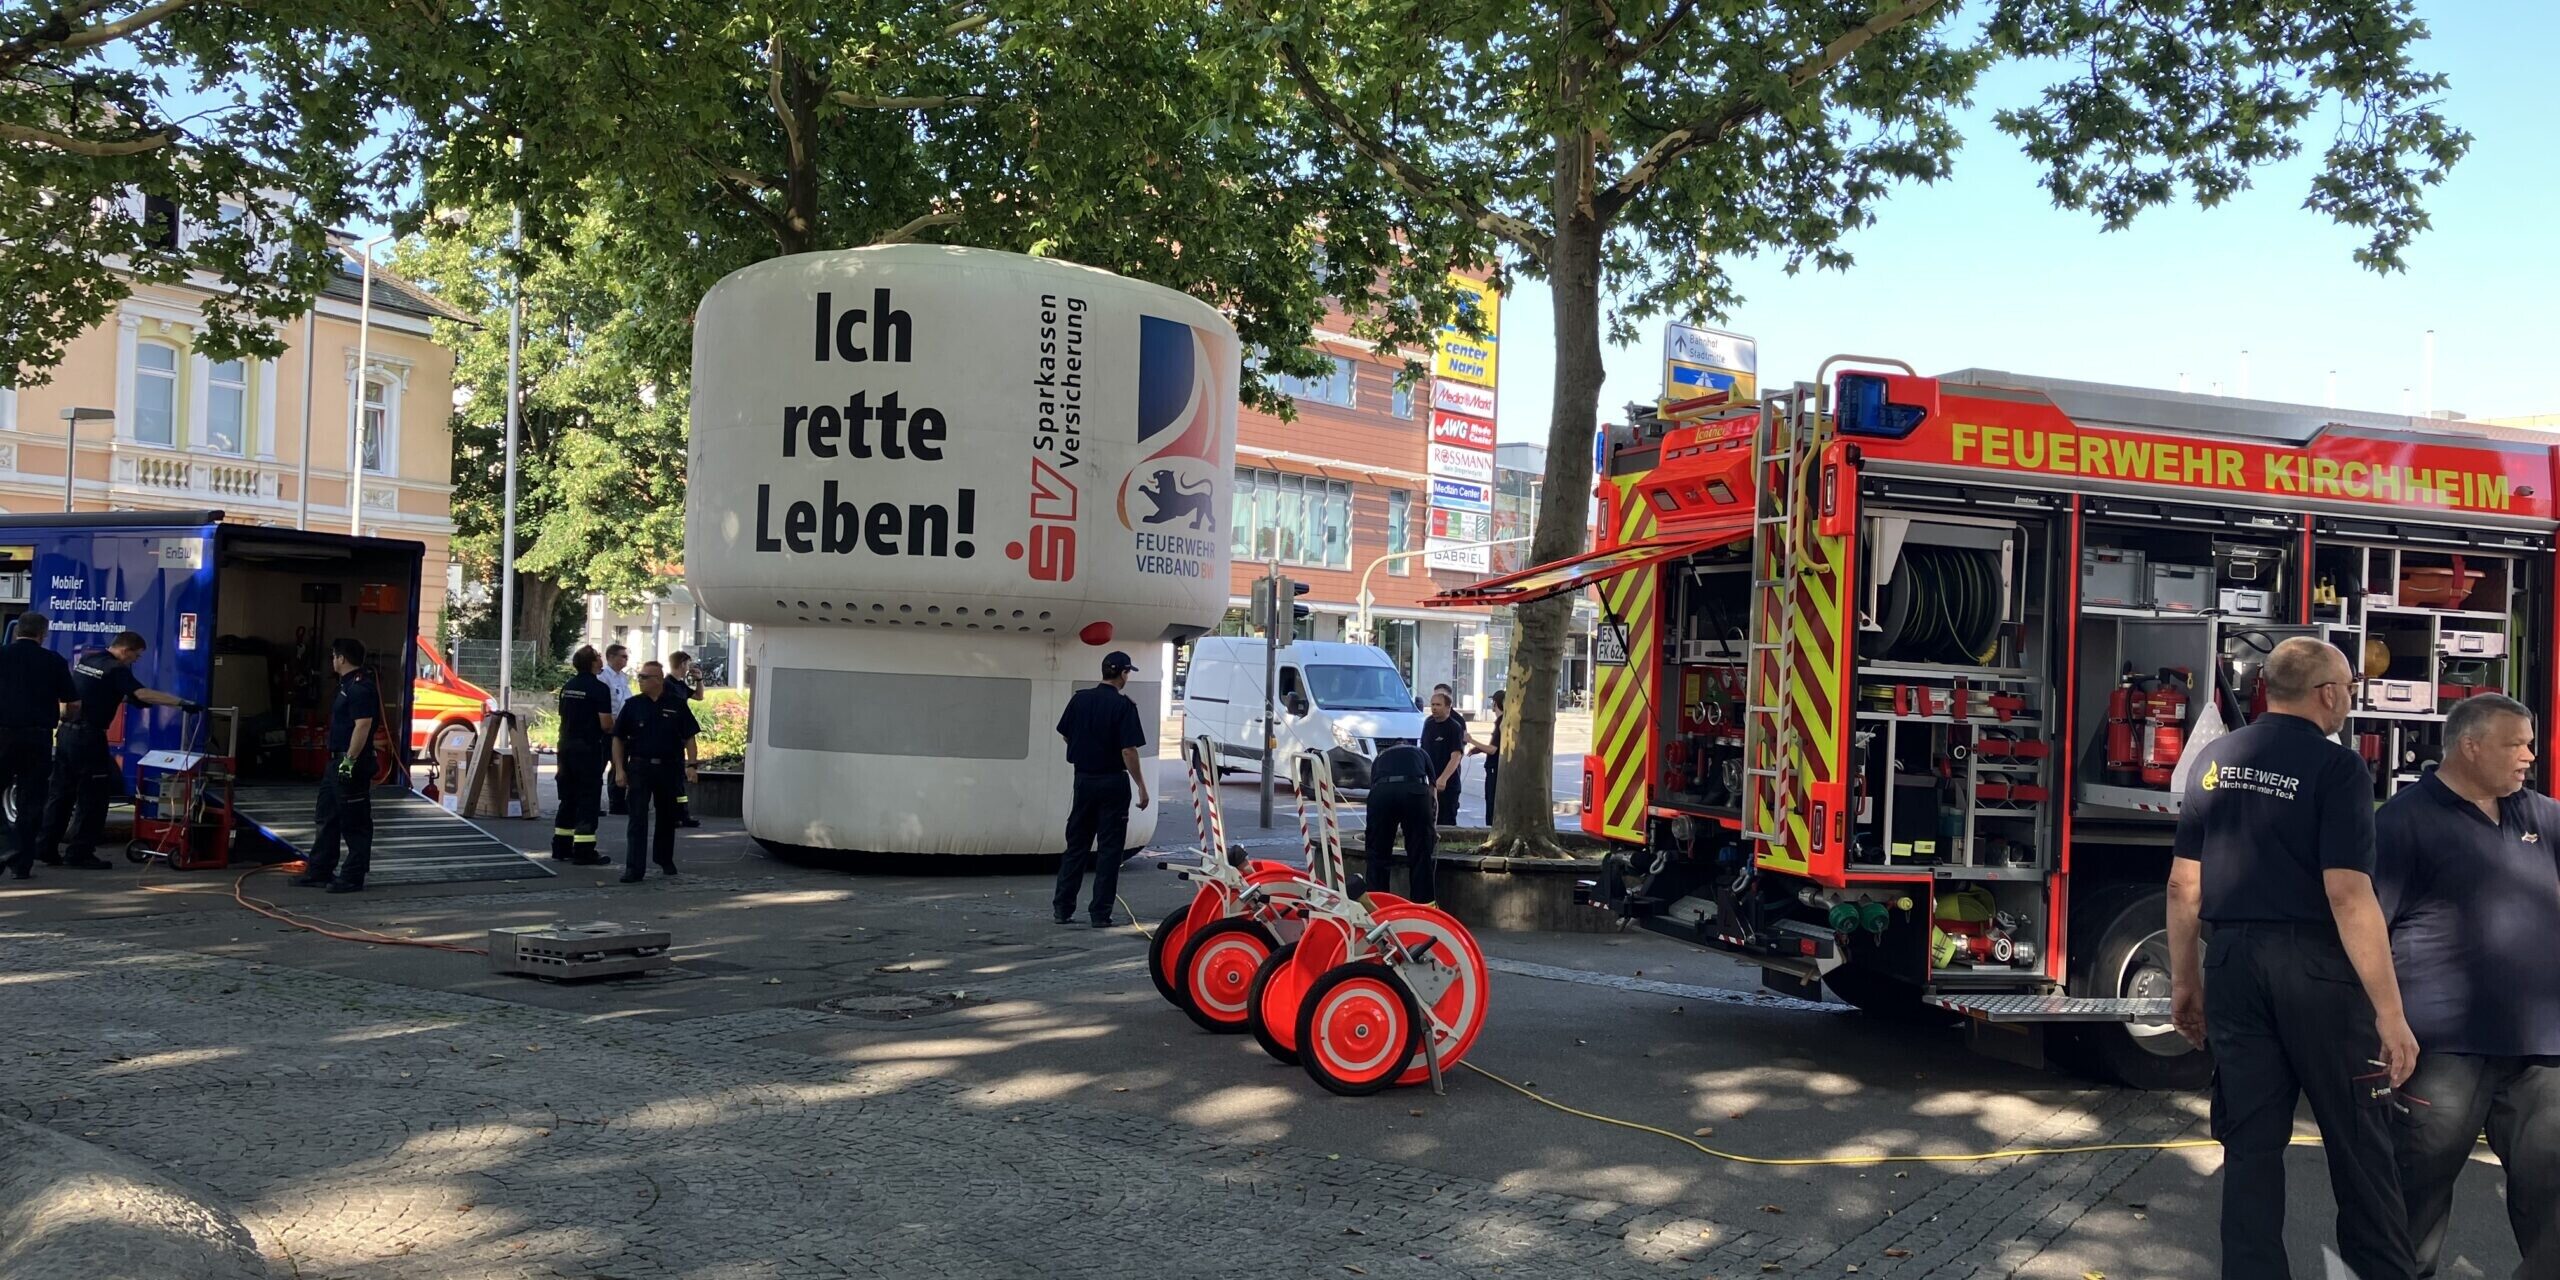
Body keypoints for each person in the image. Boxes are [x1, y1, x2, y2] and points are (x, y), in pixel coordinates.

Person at [2166, 636, 2418, 1280]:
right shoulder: (2338, 769)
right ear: (2326, 693)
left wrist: (2186, 984)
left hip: (2233, 964)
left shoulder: (2215, 759)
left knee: (2250, 1148)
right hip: (2316, 971)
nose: (2349, 703)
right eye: (2349, 691)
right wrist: (2391, 1015)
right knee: (2360, 1146)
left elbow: (2182, 885)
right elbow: (2347, 892)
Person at [2373, 693, 2560, 1279]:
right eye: (2517, 744)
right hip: (2443, 1047)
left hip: (2541, 1049)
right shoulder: (2402, 821)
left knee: (2552, 1201)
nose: (2530, 755)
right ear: (2470, 746)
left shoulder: (2543, 818)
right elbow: (2365, 930)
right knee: (2416, 1198)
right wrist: (2385, 1020)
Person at [38, 629, 197, 870]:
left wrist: (122, 697)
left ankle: (46, 847)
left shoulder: (89, 660)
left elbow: (98, 692)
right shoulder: (116, 669)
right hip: (90, 738)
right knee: (93, 797)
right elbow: (141, 693)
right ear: (126, 650)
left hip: (67, 734)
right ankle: (80, 853)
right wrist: (181, 703)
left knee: (60, 794)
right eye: (136, 656)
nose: (136, 661)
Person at [1053, 650, 1150, 927]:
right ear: (1123, 673)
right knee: (1109, 849)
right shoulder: (1124, 706)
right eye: (1128, 672)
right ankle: (1100, 913)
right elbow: (1128, 750)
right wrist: (1141, 785)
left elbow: (1064, 733)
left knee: (1077, 845)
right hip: (1113, 782)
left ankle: (1062, 908)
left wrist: (1085, 748)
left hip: (1083, 780)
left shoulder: (1080, 700)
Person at [291, 638, 382, 893]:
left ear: (342, 658)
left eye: (334, 656)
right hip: (335, 762)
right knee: (326, 816)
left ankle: (353, 876)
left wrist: (349, 761)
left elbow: (362, 726)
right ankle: (320, 869)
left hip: (350, 762)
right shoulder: (345, 686)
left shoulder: (360, 688)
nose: (333, 661)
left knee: (355, 822)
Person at [0, 614, 76, 880]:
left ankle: (6, 846)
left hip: (2, 735)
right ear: (43, 634)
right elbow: (72, 703)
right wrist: (64, 717)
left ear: (17, 630)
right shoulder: (53, 661)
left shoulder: (2, 655)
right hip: (38, 737)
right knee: (32, 802)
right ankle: (22, 864)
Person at [610, 661, 697, 883]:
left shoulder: (676, 704)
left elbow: (689, 737)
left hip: (669, 767)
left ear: (658, 679)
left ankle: (664, 858)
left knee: (667, 817)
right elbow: (618, 738)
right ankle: (634, 868)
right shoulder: (633, 705)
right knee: (637, 818)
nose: (639, 680)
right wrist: (619, 770)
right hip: (640, 767)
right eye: (639, 677)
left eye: (643, 677)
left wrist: (692, 766)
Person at [550, 645, 614, 865]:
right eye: (598, 657)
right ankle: (584, 850)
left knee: (568, 797)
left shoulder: (568, 687)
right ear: (593, 663)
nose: (601, 659)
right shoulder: (599, 689)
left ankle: (561, 846)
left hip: (565, 746)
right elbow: (606, 724)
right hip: (588, 749)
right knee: (588, 798)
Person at [1364, 740, 1437, 903]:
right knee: (1420, 853)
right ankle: (1423, 905)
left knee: (1377, 853)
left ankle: (1377, 903)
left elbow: (1373, 787)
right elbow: (1433, 790)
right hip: (1415, 792)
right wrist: (1431, 826)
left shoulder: (1380, 757)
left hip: (1382, 793)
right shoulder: (1420, 752)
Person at [1418, 690, 1481, 827]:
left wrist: (1443, 778)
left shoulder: (1454, 727)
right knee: (1427, 820)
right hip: (1429, 782)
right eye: (1433, 704)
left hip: (1448, 784)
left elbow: (1456, 756)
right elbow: (1423, 751)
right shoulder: (1428, 724)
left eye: (1438, 705)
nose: (1434, 708)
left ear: (1448, 707)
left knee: (1446, 821)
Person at [667, 651, 705, 829]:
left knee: (679, 778)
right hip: (671, 737)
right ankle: (674, 814)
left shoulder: (680, 685)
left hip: (680, 736)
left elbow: (699, 696)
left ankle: (682, 814)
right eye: (688, 664)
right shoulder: (668, 685)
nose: (689, 668)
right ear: (682, 664)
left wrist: (699, 680)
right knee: (672, 779)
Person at [599, 643, 632, 814]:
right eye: (623, 656)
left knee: (620, 765)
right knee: (600, 765)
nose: (626, 660)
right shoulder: (603, 677)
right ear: (611, 657)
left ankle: (617, 802)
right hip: (606, 729)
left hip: (622, 728)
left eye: (627, 657)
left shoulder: (623, 677)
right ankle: (593, 802)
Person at [1481, 688, 1506, 817]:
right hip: (1498, 768)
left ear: (1496, 703)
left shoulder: (1501, 722)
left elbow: (1492, 749)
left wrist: (1471, 741)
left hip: (1494, 769)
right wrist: (1479, 748)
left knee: (1491, 802)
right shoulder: (1504, 721)